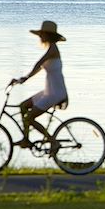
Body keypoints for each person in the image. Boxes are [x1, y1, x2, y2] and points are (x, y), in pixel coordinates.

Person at [11, 20, 68, 154]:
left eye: (42, 34)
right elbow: (40, 68)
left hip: (56, 93)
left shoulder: (53, 49)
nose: (40, 36)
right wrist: (23, 78)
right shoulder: (51, 49)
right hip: (49, 91)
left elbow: (38, 64)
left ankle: (53, 142)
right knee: (23, 106)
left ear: (48, 35)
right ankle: (26, 139)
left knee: (29, 118)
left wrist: (25, 78)